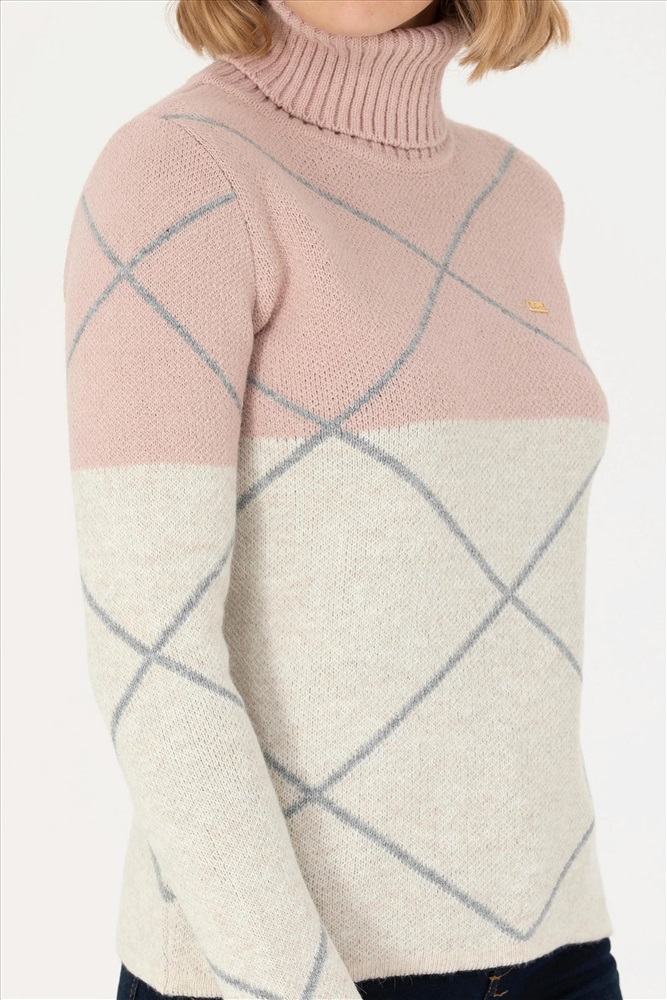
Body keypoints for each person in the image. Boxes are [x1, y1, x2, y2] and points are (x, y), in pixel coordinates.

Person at [62, 0, 624, 997]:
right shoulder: (179, 173)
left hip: (561, 947)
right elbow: (150, 655)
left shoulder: (517, 196)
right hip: (286, 969)